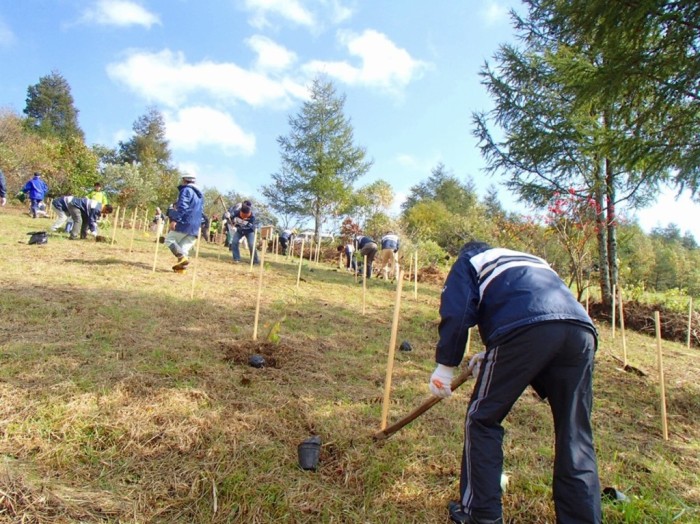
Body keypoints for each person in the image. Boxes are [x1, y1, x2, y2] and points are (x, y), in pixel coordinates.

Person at [430, 241, 601, 524]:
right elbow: (538, 307)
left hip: (526, 328)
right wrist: (491, 354)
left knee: (482, 419)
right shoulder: (531, 260)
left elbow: (458, 310)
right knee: (575, 431)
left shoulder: (470, 260)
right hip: (581, 330)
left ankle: (480, 515)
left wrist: (445, 367)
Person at [165, 174, 204, 272]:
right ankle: (181, 270)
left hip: (185, 222)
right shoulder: (200, 195)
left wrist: (175, 220)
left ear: (184, 180)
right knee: (183, 248)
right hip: (195, 226)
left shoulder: (186, 190)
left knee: (169, 240)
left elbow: (182, 207)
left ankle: (182, 258)